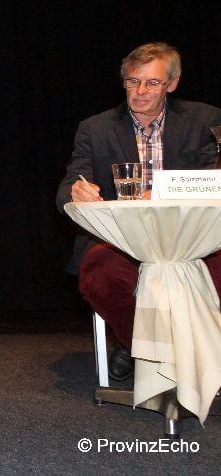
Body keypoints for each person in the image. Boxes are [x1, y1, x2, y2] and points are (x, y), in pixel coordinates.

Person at [56, 42, 221, 380]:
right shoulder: (95, 128)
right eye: (133, 81)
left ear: (172, 84)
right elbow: (69, 185)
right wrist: (76, 191)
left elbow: (213, 180)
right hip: (122, 239)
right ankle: (143, 345)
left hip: (190, 235)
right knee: (101, 275)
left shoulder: (205, 120)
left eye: (152, 83)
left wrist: (160, 193)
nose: (140, 91)